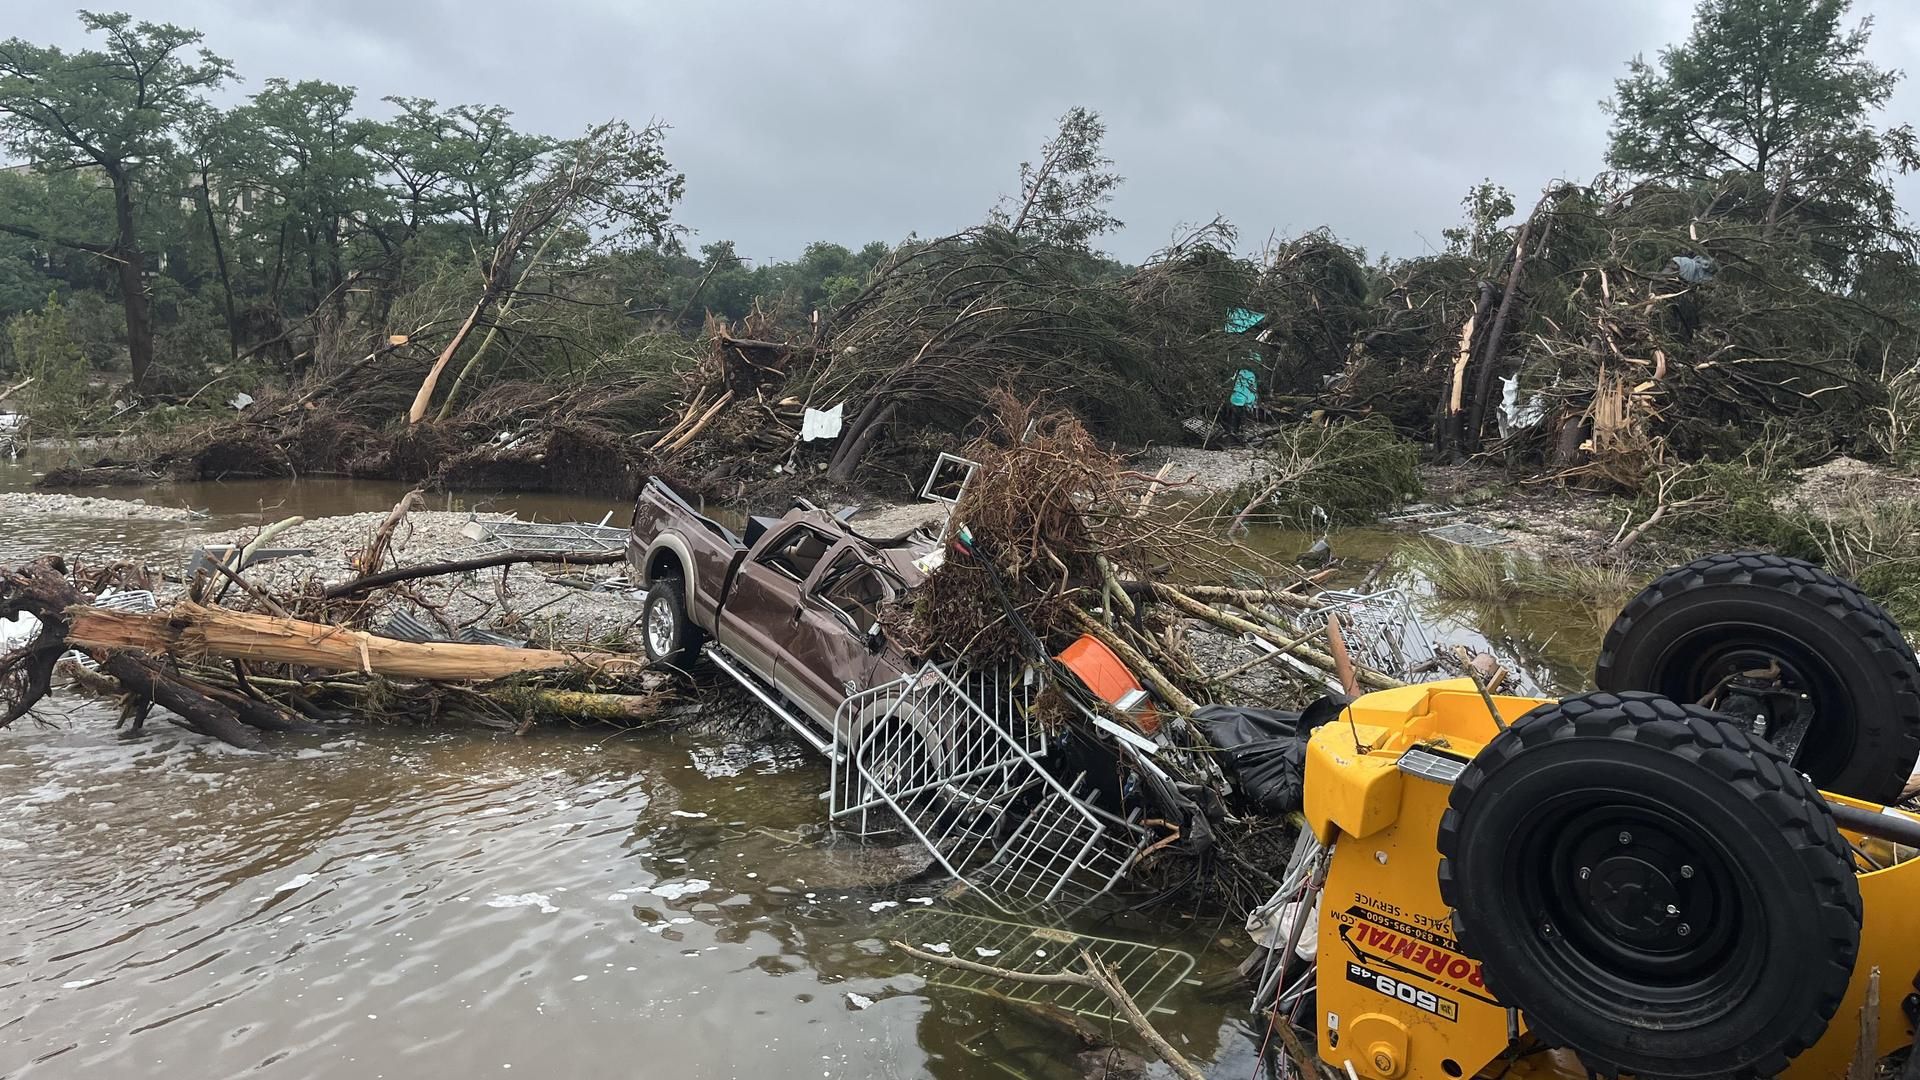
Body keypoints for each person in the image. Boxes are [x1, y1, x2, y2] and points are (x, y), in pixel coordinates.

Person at [1226, 367, 1257, 434]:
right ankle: (1237, 431)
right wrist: (1252, 403)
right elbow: (1253, 389)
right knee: (1239, 417)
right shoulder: (1251, 375)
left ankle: (1232, 431)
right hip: (1243, 400)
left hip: (1234, 398)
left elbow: (1232, 380)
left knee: (1234, 416)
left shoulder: (1239, 372)